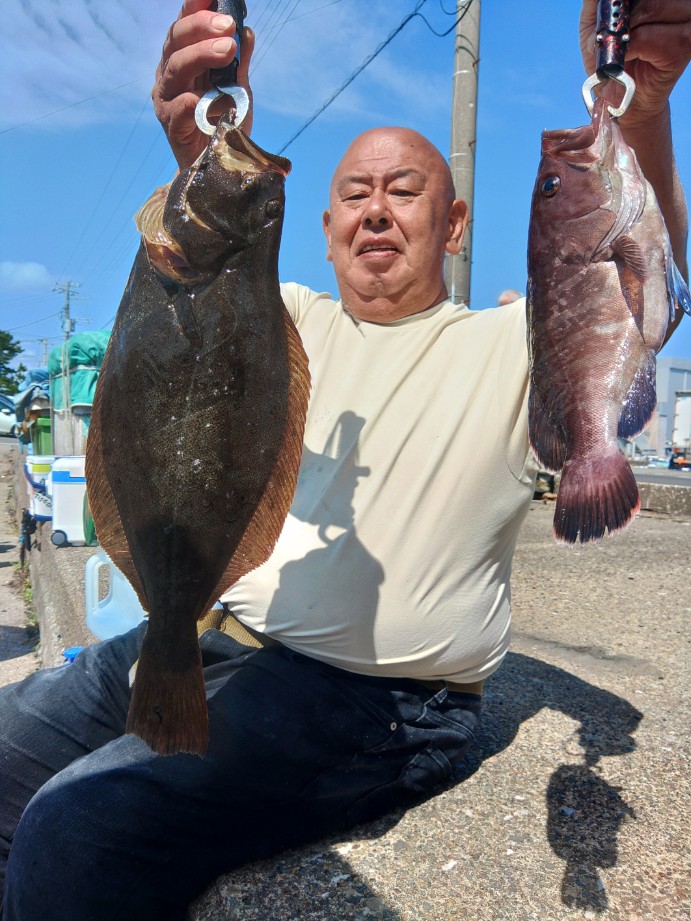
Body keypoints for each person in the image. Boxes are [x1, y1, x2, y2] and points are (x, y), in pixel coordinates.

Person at [1, 2, 688, 919]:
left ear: (454, 224)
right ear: (323, 227)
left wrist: (642, 110)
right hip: (203, 635)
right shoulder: (277, 315)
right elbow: (195, 267)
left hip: (375, 704)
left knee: (75, 825)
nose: (374, 212)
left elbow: (631, 279)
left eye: (404, 191)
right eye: (355, 195)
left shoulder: (512, 341)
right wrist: (198, 151)